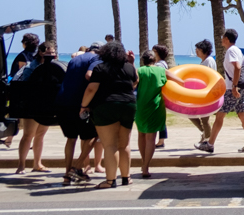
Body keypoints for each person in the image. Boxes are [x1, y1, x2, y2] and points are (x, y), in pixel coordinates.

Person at [82, 40, 137, 188]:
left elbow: (91, 89)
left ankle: (110, 180)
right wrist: (131, 63)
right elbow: (135, 82)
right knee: (124, 144)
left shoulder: (100, 68)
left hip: (106, 106)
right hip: (128, 105)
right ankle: (126, 178)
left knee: (110, 145)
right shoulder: (129, 68)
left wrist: (83, 106)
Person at [12, 41, 63, 174]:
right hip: (33, 104)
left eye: (53, 52)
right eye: (48, 52)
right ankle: (21, 165)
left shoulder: (55, 67)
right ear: (40, 52)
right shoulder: (31, 66)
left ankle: (37, 164)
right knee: (28, 135)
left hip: (47, 105)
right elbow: (26, 85)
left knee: (40, 134)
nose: (51, 55)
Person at [56, 43, 100, 185]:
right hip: (80, 103)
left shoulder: (74, 59)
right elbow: (89, 75)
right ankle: (76, 168)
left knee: (71, 138)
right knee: (92, 136)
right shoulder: (97, 59)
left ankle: (67, 176)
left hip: (63, 101)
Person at [208, 29, 244, 153]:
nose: (221, 39)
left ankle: (210, 144)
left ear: (227, 39)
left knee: (220, 115)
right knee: (242, 115)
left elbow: (237, 67)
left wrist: (234, 86)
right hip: (243, 87)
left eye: (223, 37)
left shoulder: (231, 51)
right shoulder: (238, 50)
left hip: (232, 89)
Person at [134, 48, 169, 177]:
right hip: (155, 107)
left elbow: (132, 85)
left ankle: (144, 163)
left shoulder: (139, 71)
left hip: (140, 107)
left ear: (143, 60)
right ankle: (146, 167)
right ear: (154, 59)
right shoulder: (161, 71)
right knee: (151, 138)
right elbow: (178, 80)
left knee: (141, 135)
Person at [191, 39, 218, 152]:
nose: (196, 51)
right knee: (191, 113)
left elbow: (209, 77)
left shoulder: (209, 61)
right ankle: (206, 134)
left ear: (203, 50)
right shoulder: (204, 62)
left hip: (207, 94)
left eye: (197, 49)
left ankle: (207, 141)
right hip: (201, 94)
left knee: (204, 119)